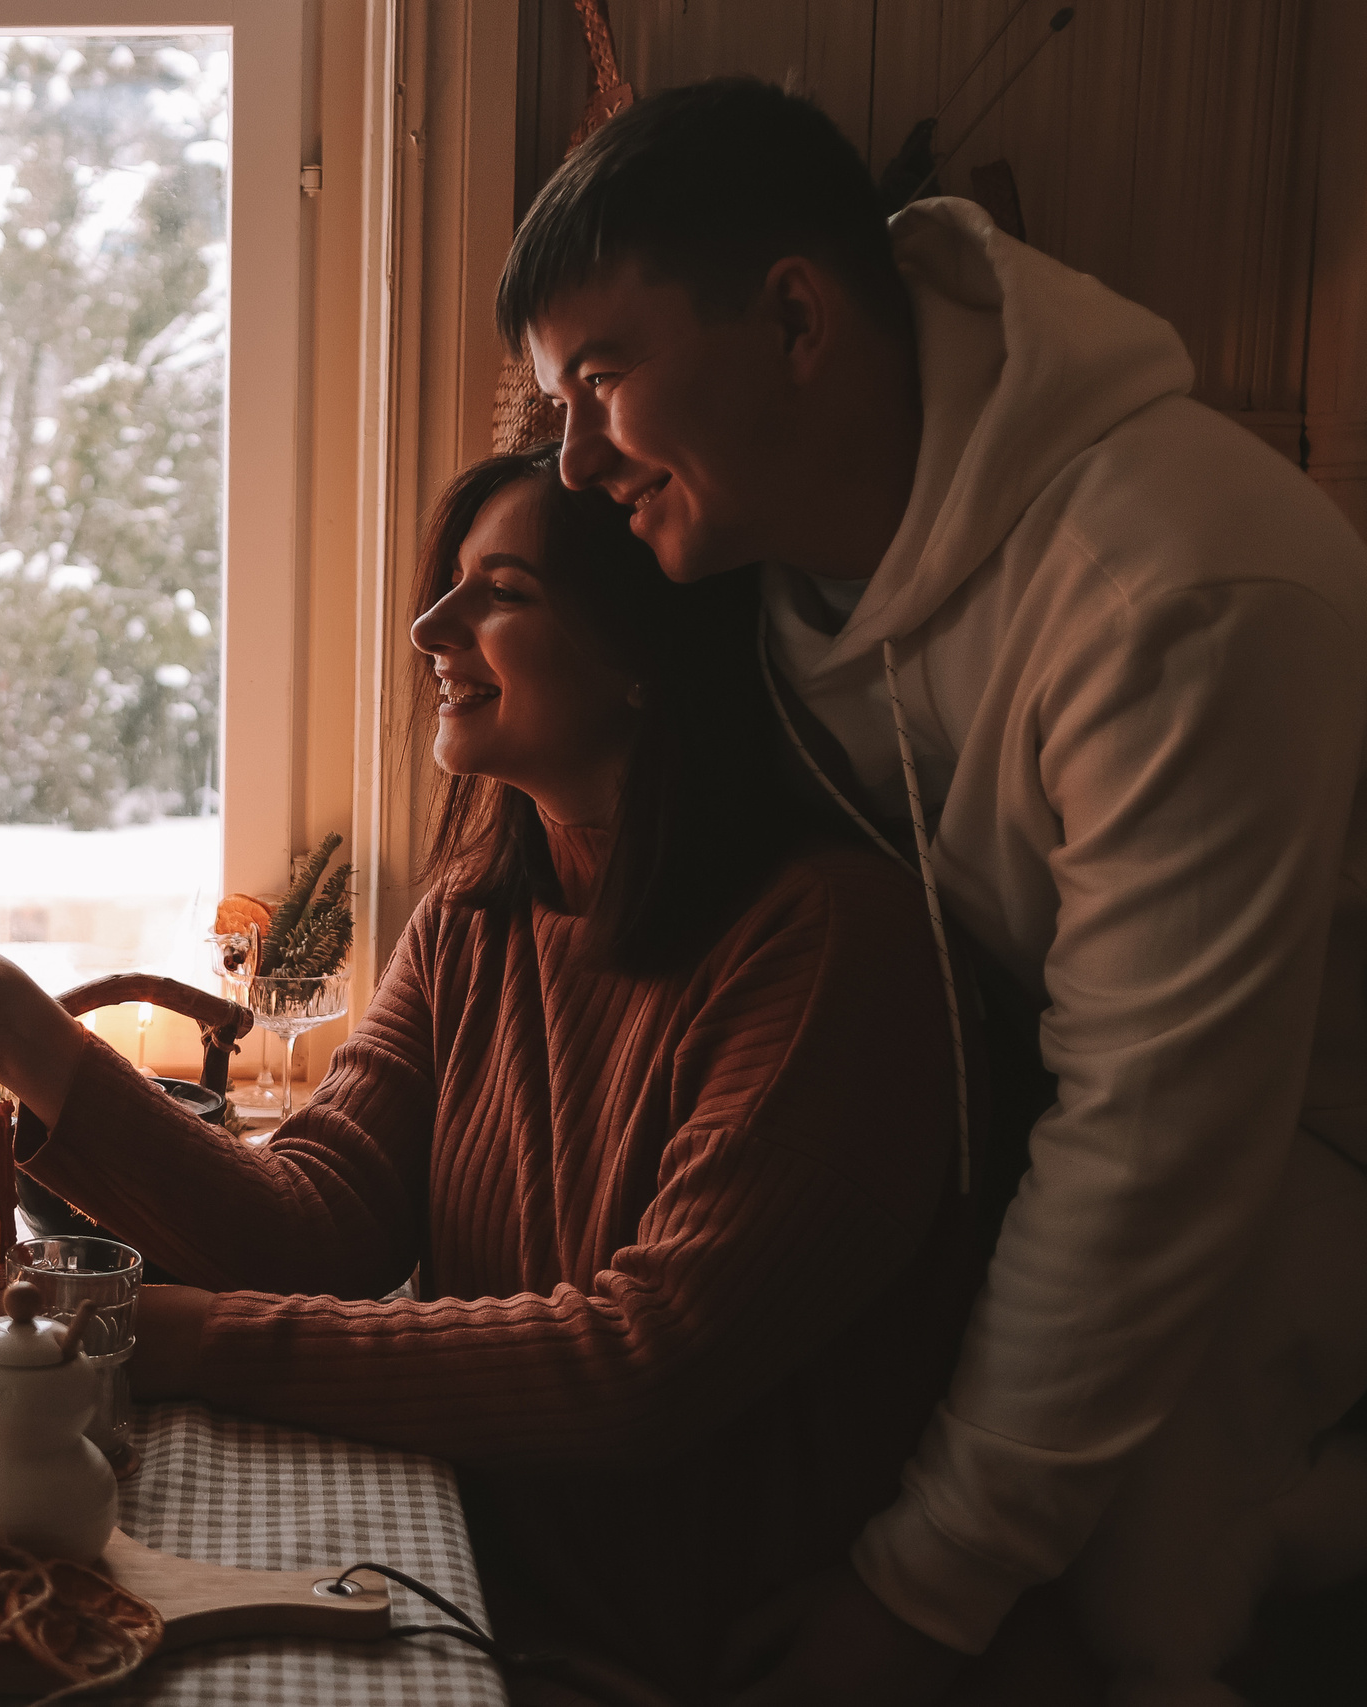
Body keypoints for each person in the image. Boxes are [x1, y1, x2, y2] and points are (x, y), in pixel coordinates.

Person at [0, 446, 988, 1699]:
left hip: (690, 1650)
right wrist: (24, 1042)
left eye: (501, 590)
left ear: (647, 650)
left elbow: (637, 1364)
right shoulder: (479, 919)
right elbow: (313, 1231)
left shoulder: (829, 944)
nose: (431, 627)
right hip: (483, 1585)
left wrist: (180, 1337)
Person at [499, 77, 1367, 1705]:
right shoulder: (768, 569)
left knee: (1135, 1601)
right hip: (1027, 1128)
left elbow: (1155, 1144)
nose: (573, 460)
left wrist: (919, 1594)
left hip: (1299, 1154)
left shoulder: (1175, 590)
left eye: (601, 379)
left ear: (798, 319)